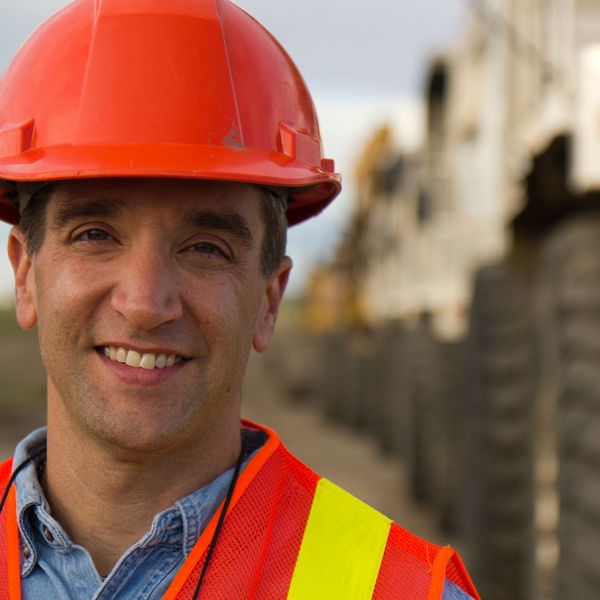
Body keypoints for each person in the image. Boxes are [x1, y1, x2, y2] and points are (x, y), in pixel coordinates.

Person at [0, 1, 479, 598]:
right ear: (25, 277)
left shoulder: (400, 589)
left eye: (205, 248)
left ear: (269, 301)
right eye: (95, 236)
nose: (146, 303)